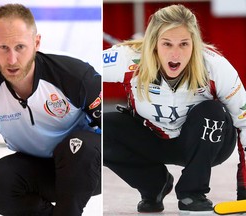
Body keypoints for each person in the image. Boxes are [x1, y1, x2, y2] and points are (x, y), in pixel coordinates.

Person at [0, 3, 101, 216]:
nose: (12, 60)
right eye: (3, 48)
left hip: (85, 167)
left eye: (20, 47)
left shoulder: (75, 77)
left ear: (36, 42)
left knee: (78, 146)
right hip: (41, 170)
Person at [103, 4, 246, 213]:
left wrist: (244, 192)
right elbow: (82, 70)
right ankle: (154, 186)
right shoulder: (128, 58)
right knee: (100, 129)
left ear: (195, 44)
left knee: (212, 111)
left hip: (205, 142)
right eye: (167, 44)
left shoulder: (216, 67)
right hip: (152, 138)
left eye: (184, 44)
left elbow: (244, 122)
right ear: (153, 43)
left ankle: (192, 193)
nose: (175, 54)